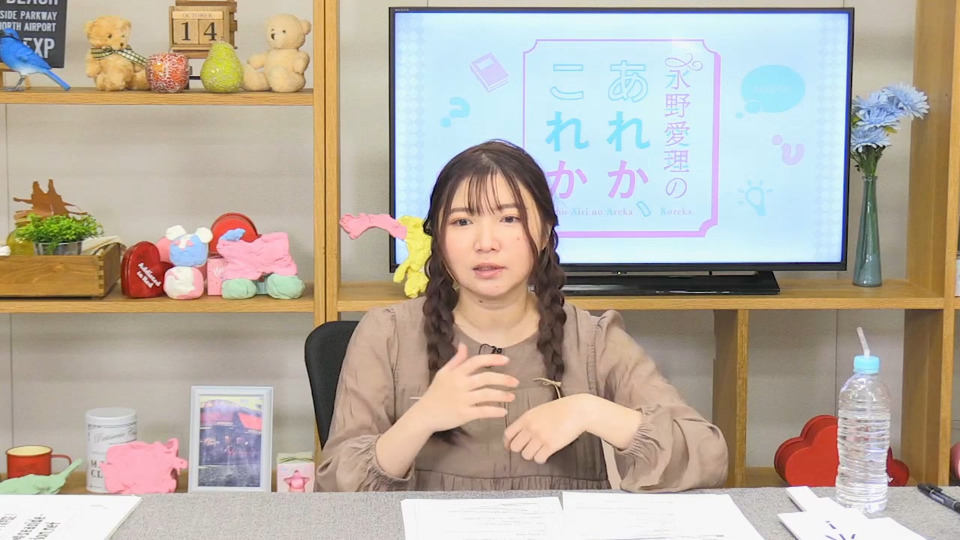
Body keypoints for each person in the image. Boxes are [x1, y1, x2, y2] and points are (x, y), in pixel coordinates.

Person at [316, 140, 727, 492]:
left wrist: (590, 411)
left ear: (545, 232)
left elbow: (707, 456)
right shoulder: (387, 334)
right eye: (462, 221)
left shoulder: (594, 339)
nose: (486, 242)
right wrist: (421, 419)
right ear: (438, 238)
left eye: (509, 218)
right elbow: (335, 488)